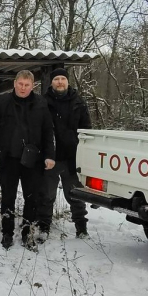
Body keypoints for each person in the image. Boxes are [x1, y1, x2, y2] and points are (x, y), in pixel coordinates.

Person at [0, 70, 56, 250]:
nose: (23, 88)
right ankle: (7, 233)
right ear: (14, 83)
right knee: (8, 197)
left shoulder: (41, 103)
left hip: (33, 159)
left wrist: (49, 155)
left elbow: (48, 131)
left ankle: (27, 233)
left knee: (31, 198)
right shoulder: (2, 102)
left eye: (27, 85)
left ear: (33, 86)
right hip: (8, 158)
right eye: (20, 84)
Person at [42, 66, 92, 238]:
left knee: (75, 195)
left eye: (62, 79)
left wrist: (83, 151)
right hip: (51, 157)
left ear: (67, 81)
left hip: (73, 158)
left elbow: (87, 130)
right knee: (47, 195)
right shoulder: (43, 102)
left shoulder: (79, 102)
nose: (60, 82)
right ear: (52, 82)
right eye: (56, 79)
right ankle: (44, 227)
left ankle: (81, 228)